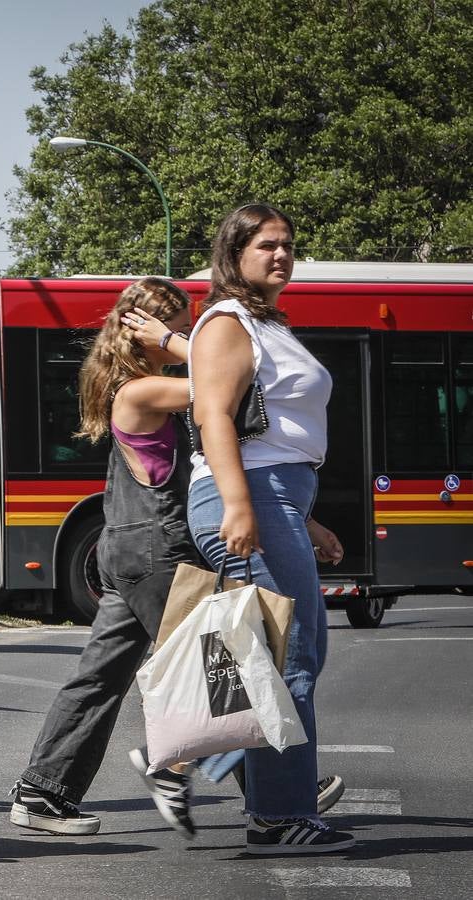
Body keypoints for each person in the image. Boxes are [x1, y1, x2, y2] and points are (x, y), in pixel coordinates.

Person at [185, 203, 355, 855]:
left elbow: (272, 429)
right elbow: (215, 418)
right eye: (266, 245)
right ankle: (281, 815)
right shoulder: (227, 323)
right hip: (249, 491)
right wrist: (240, 505)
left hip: (275, 493)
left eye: (288, 245)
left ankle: (257, 792)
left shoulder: (265, 324)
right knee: (293, 656)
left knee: (267, 656)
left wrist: (302, 517)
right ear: (234, 255)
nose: (281, 255)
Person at [8, 277, 198, 836]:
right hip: (156, 550)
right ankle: (276, 791)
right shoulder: (140, 392)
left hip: (130, 547)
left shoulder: (141, 386)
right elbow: (225, 381)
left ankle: (42, 792)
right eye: (178, 325)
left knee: (100, 677)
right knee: (222, 664)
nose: (186, 333)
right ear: (145, 330)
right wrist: (176, 339)